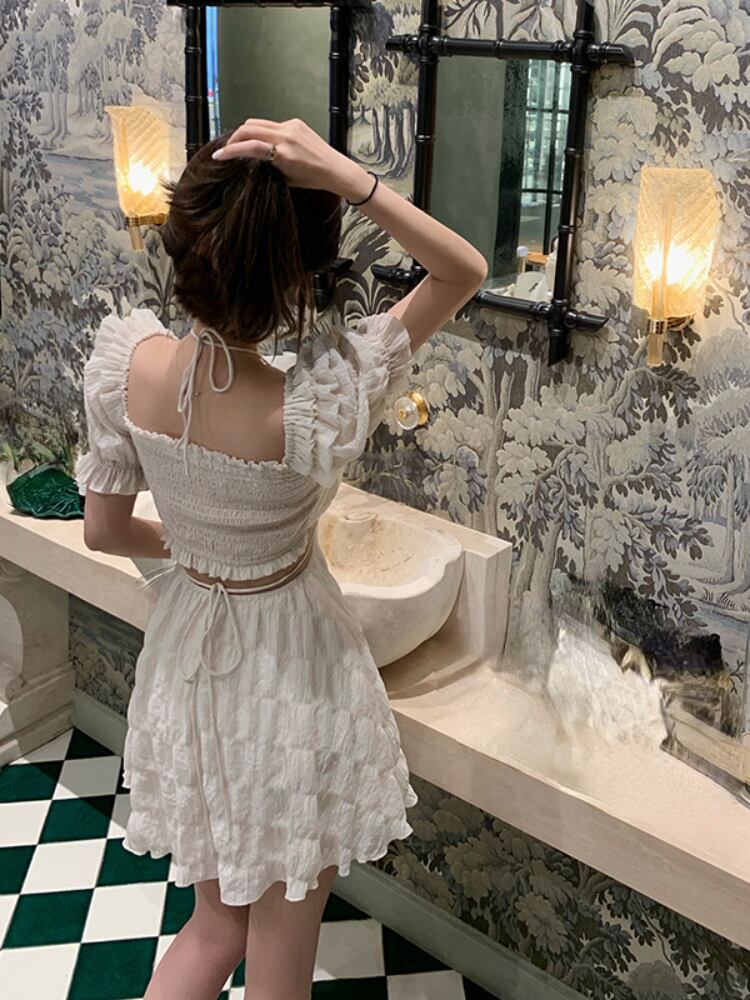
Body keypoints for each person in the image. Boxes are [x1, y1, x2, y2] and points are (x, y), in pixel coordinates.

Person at [77, 117, 487, 1000]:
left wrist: (200, 553)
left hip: (187, 671)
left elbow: (104, 532)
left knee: (212, 929)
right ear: (299, 279)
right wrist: (350, 177)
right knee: (280, 959)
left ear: (184, 247)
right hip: (292, 685)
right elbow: (463, 271)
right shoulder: (318, 406)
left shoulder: (128, 369)